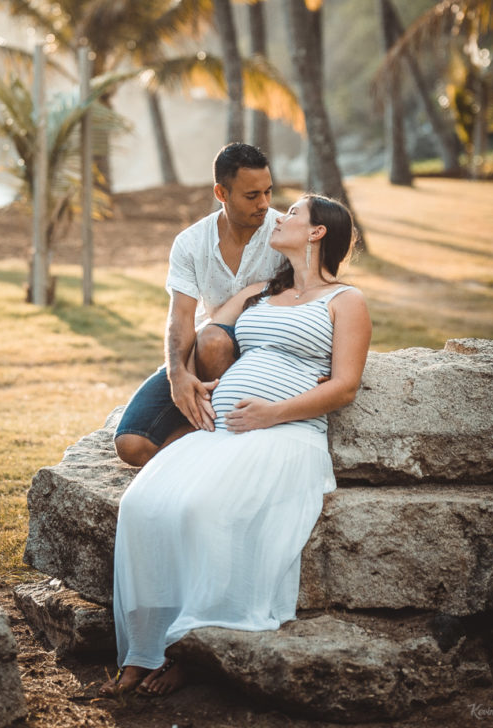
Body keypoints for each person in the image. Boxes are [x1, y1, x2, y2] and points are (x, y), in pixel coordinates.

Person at [101, 192, 372, 698]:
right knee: (143, 504)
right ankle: (144, 651)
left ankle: (193, 648)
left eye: (293, 213)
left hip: (284, 435)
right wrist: (186, 377)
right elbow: (202, 331)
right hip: (223, 432)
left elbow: (345, 386)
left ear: (317, 233)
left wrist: (272, 412)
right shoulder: (259, 292)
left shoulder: (346, 301)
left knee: (203, 510)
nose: (280, 215)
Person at [113, 142, 285, 468]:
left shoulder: (283, 233)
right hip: (201, 358)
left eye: (268, 192)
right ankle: (211, 442)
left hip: (265, 357)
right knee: (131, 445)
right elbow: (180, 315)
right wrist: (178, 374)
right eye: (252, 196)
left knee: (214, 342)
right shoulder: (191, 243)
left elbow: (318, 297)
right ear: (221, 193)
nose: (264, 204)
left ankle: (224, 449)